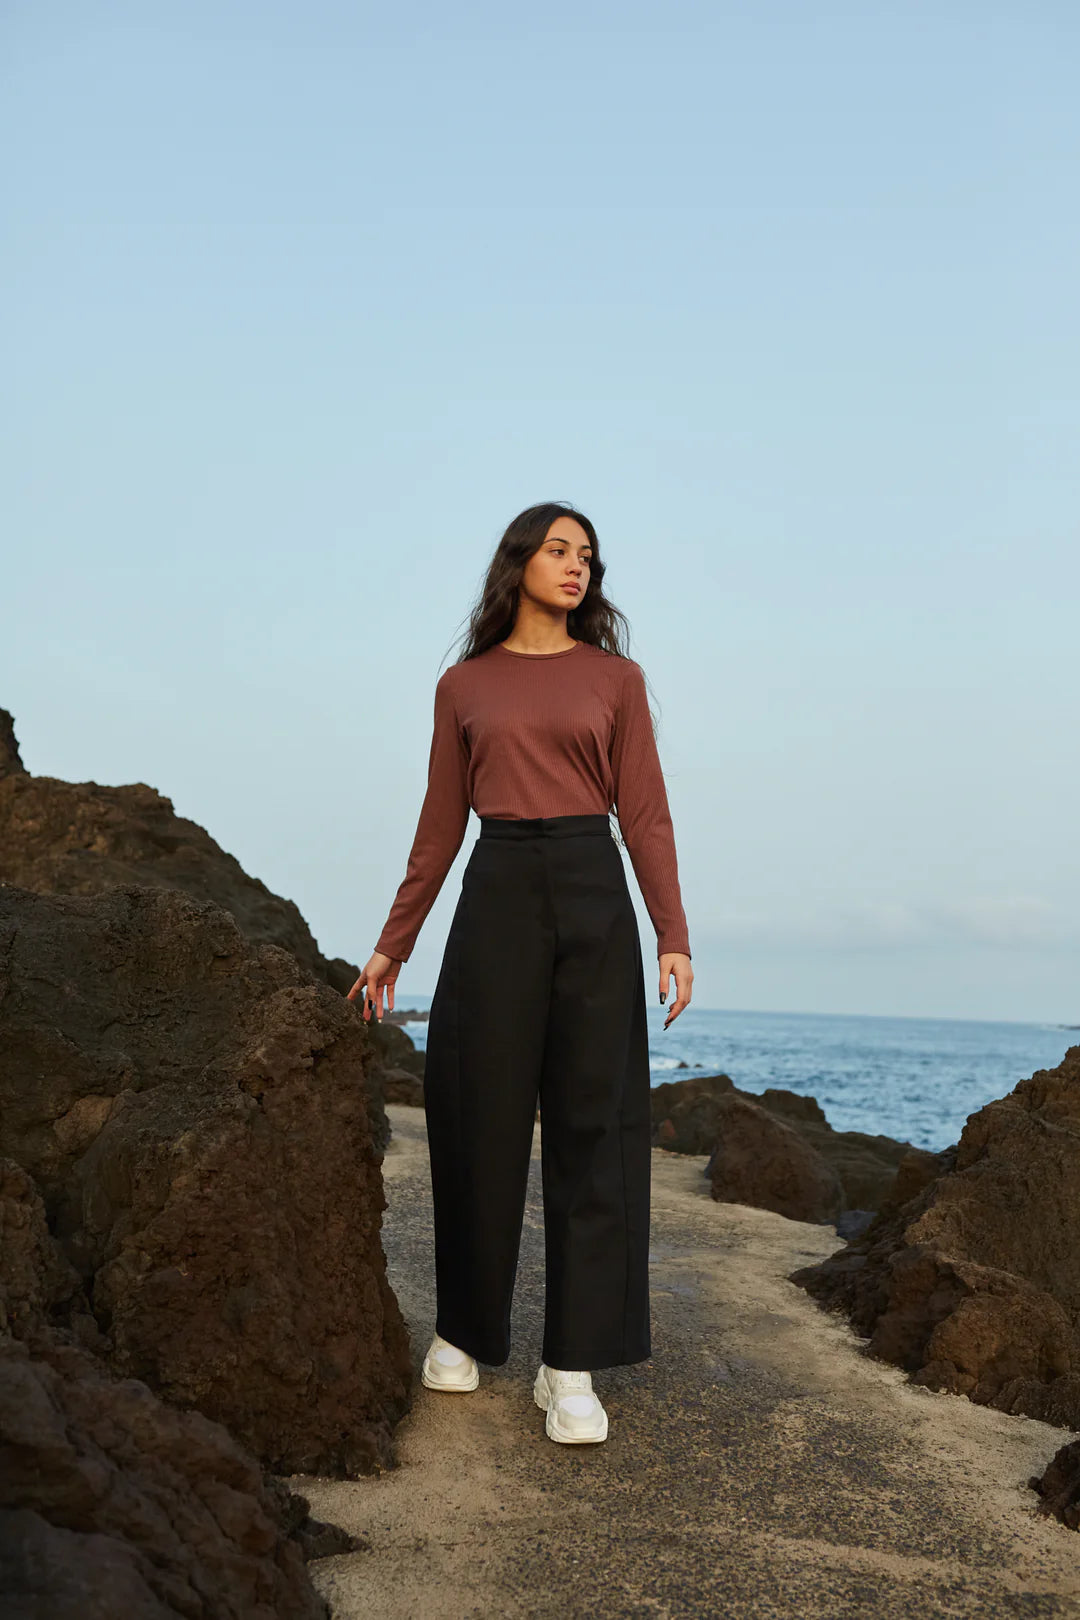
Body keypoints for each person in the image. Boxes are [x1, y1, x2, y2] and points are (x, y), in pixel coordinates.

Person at [348, 501, 693, 1445]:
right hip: (495, 889)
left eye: (587, 555)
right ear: (519, 563)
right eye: (557, 550)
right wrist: (395, 941)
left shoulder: (616, 679)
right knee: (475, 1113)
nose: (577, 566)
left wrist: (673, 932)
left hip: (592, 888)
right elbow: (438, 824)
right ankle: (463, 1330)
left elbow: (647, 812)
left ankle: (570, 1366)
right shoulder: (463, 685)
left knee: (596, 1125)